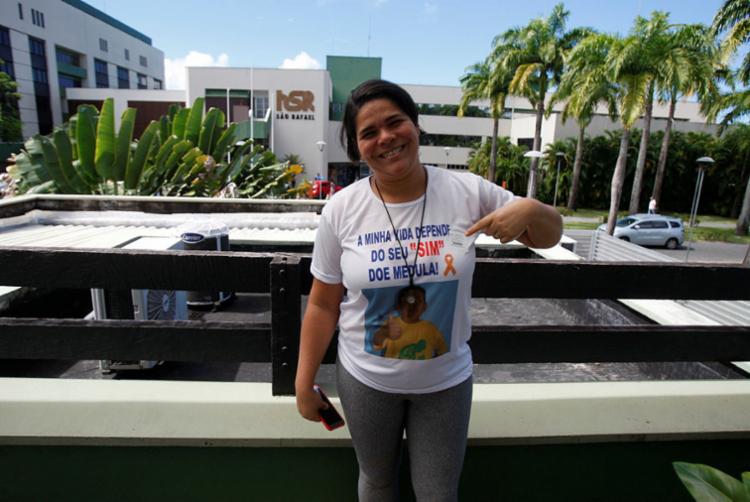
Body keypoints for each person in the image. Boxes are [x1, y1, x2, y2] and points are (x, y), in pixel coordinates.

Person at [295, 79, 562, 501]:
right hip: (366, 380)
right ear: (357, 146)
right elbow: (324, 304)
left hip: (445, 381)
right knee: (377, 480)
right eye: (368, 133)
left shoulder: (467, 190)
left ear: (415, 126)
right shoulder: (341, 209)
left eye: (395, 122)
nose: (385, 138)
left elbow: (548, 235)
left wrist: (529, 208)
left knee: (438, 492)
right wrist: (303, 382)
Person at [372, 285, 448, 360]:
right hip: (396, 371)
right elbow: (377, 343)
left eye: (419, 301)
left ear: (424, 306)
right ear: (398, 306)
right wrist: (385, 332)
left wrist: (432, 366)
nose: (413, 305)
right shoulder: (391, 325)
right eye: (408, 300)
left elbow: (443, 352)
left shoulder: (431, 329)